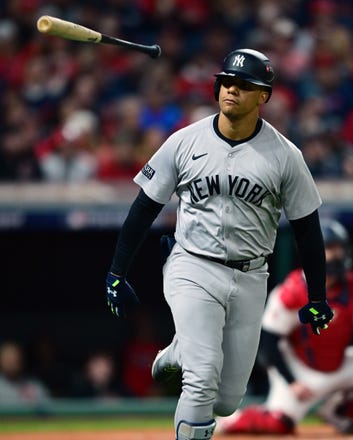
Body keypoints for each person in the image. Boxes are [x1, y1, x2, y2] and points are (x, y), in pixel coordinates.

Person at [104, 48, 334, 440]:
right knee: (202, 378)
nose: (232, 90)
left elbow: (307, 230)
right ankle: (188, 364)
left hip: (251, 275)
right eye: (227, 81)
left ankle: (178, 351)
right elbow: (143, 209)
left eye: (244, 85)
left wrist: (317, 296)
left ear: (263, 96)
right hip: (192, 265)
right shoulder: (184, 142)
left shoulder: (285, 156)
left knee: (227, 400)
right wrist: (116, 271)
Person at [216, 219, 353, 435]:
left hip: (341, 365)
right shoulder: (292, 291)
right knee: (277, 425)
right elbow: (269, 342)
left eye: (339, 249)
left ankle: (340, 412)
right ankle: (232, 420)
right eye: (330, 249)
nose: (337, 255)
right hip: (300, 372)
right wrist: (292, 382)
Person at [0, 341, 50, 407]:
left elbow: (49, 408)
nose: (13, 362)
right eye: (8, 359)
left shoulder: (33, 385)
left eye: (16, 359)